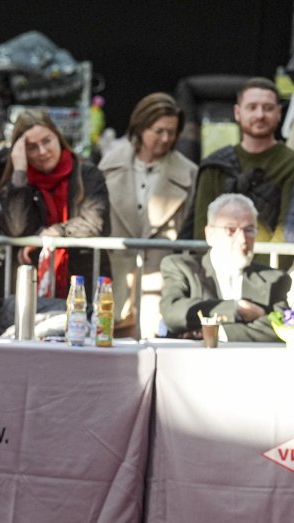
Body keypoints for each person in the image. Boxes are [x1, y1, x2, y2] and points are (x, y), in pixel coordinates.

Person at [99, 93, 197, 339]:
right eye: (159, 131)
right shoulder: (108, 166)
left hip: (162, 285)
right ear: (141, 127)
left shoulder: (190, 174)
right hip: (116, 281)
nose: (165, 139)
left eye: (171, 132)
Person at [0, 109, 111, 299]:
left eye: (47, 141)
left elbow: (94, 221)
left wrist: (55, 232)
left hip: (83, 282)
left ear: (58, 137)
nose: (42, 152)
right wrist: (19, 173)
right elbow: (16, 229)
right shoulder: (19, 183)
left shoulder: (87, 173)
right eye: (32, 147)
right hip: (33, 285)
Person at [160, 193, 290, 341]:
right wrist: (235, 308)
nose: (242, 239)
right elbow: (173, 313)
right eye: (231, 229)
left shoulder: (274, 279)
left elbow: (282, 329)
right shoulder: (182, 267)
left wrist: (215, 331)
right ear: (210, 234)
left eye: (249, 230)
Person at [190, 78, 294, 248]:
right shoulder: (215, 165)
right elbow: (201, 232)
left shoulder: (290, 163)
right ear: (237, 112)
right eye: (252, 107)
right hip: (218, 262)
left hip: (272, 263)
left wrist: (259, 265)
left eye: (268, 108)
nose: (260, 115)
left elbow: (288, 233)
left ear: (279, 113)